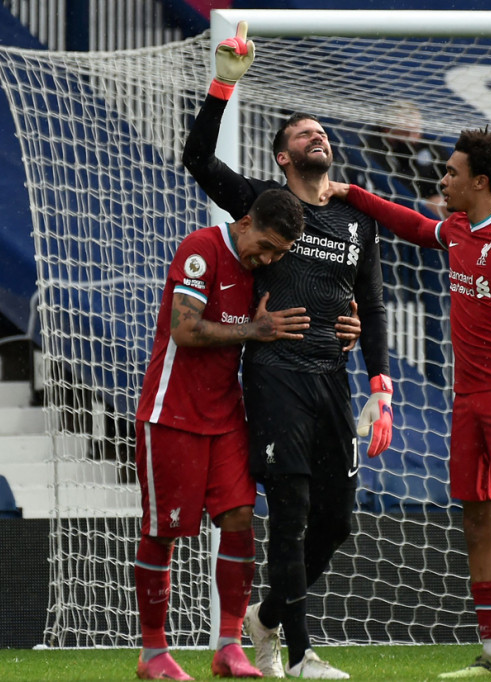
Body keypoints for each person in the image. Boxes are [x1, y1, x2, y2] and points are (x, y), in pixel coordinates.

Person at [327, 128, 491, 679]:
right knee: (478, 519)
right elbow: (414, 225)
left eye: (450, 172)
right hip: (467, 398)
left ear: (480, 181)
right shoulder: (457, 230)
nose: (442, 179)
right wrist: (351, 193)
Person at [182, 23, 393, 680]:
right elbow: (197, 159)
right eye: (301, 134)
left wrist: (381, 383)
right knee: (294, 511)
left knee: (336, 523)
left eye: (320, 132)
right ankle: (300, 655)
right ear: (281, 157)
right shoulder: (261, 203)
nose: (316, 136)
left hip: (334, 379)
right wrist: (222, 86)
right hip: (276, 375)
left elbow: (373, 304)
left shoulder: (356, 220)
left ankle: (267, 617)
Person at [133, 189, 309, 681]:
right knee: (163, 531)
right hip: (172, 414)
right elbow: (185, 331)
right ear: (246, 222)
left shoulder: (262, 267)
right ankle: (153, 655)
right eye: (267, 246)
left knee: (238, 521)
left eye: (279, 253)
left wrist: (348, 323)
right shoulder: (201, 248)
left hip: (227, 416)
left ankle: (228, 647)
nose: (269, 259)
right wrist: (254, 330)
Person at [361, 100, 448, 219]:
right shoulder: (372, 151)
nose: (413, 139)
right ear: (387, 130)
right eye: (406, 133)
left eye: (417, 131)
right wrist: (425, 204)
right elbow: (392, 189)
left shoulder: (429, 145)